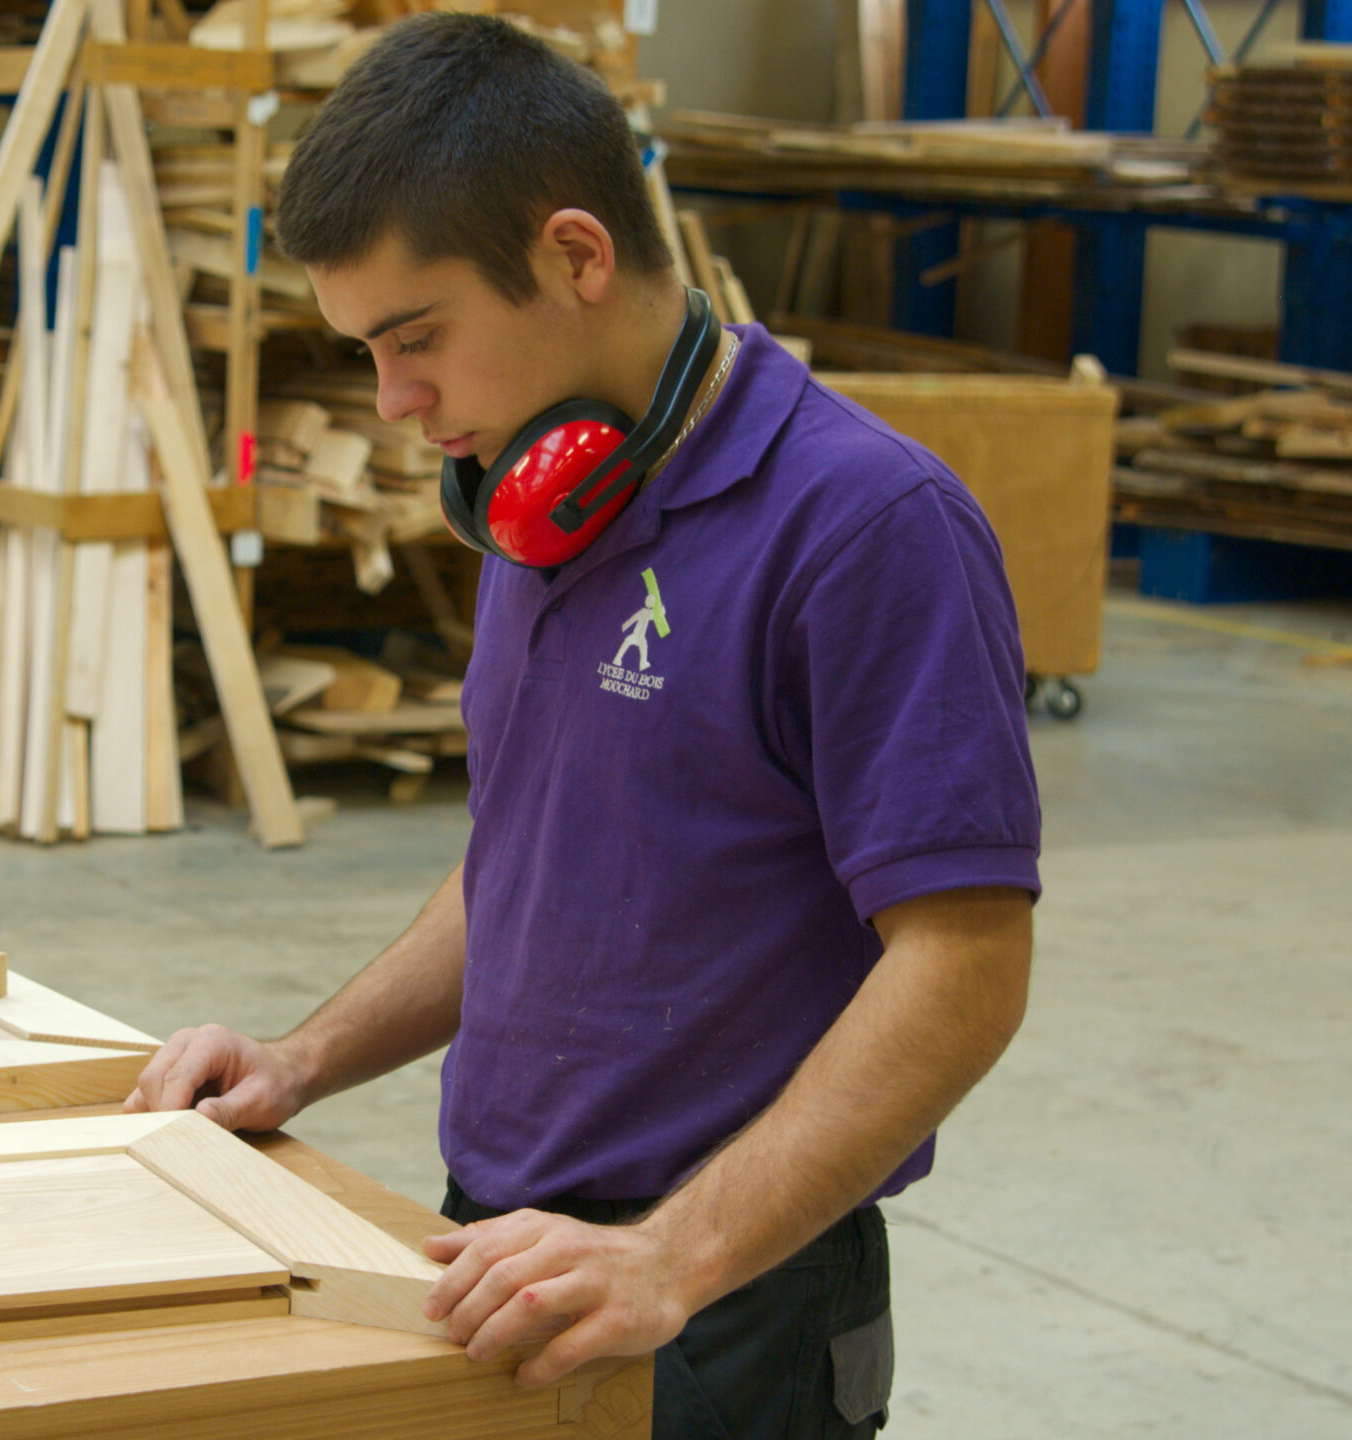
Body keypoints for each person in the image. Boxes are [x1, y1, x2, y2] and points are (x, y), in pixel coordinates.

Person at [123, 14, 1042, 1437]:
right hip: (505, 1250)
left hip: (734, 1298)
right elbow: (535, 856)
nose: (395, 402)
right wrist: (305, 1059)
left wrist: (675, 1256)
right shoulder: (546, 501)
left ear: (574, 255)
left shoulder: (865, 527)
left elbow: (967, 967)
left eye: (417, 338)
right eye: (368, 351)